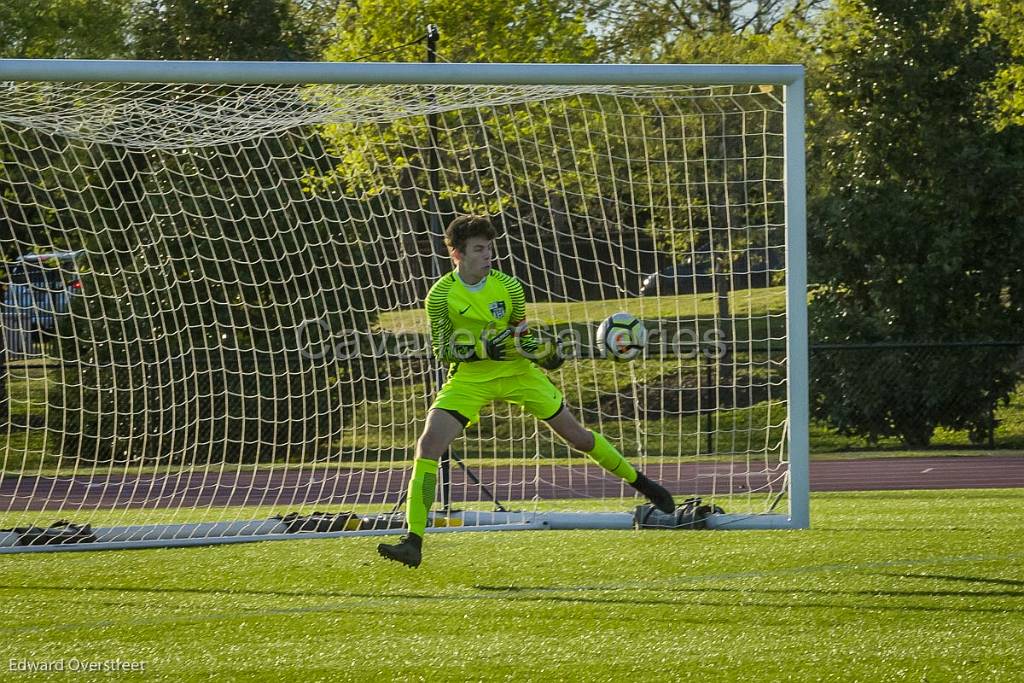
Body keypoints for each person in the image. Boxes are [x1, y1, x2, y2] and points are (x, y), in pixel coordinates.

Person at [377, 215, 675, 568]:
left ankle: (642, 483)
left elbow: (522, 336)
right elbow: (443, 349)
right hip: (471, 377)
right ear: (456, 254)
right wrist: (485, 349)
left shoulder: (509, 287)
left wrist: (546, 354)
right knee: (427, 446)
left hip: (519, 373)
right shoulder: (441, 295)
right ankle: (413, 540)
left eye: (489, 248)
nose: (488, 255)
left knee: (577, 438)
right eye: (478, 249)